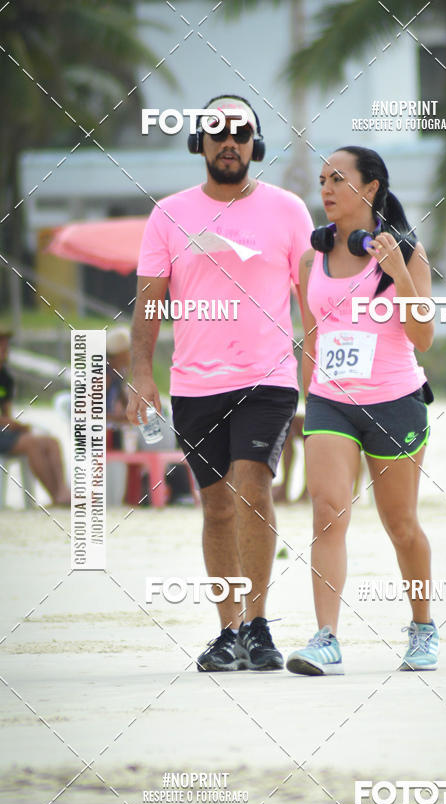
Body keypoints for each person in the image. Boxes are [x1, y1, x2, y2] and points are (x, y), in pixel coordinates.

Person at [127, 94, 313, 671]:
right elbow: (148, 303)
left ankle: (258, 626)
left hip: (269, 379)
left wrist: (322, 373)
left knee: (252, 489)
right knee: (216, 508)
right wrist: (139, 373)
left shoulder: (288, 210)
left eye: (240, 132)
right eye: (217, 132)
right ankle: (228, 631)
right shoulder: (168, 214)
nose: (228, 141)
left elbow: (311, 299)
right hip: (194, 385)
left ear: (254, 144)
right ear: (199, 143)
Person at [286, 146, 438, 676]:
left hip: (395, 401)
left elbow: (424, 338)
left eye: (337, 179)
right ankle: (326, 638)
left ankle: (422, 627)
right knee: (327, 511)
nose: (325, 189)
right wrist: (310, 396)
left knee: (401, 525)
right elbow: (310, 334)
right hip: (331, 403)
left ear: (370, 188)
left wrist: (396, 271)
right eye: (322, 179)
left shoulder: (408, 253)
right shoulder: (312, 259)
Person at [0, 329, 70, 506]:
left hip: (4, 432)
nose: (5, 349)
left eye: (6, 345)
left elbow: (6, 414)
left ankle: (62, 492)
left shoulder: (6, 378)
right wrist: (12, 424)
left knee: (51, 442)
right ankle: (56, 496)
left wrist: (15, 425)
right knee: (31, 443)